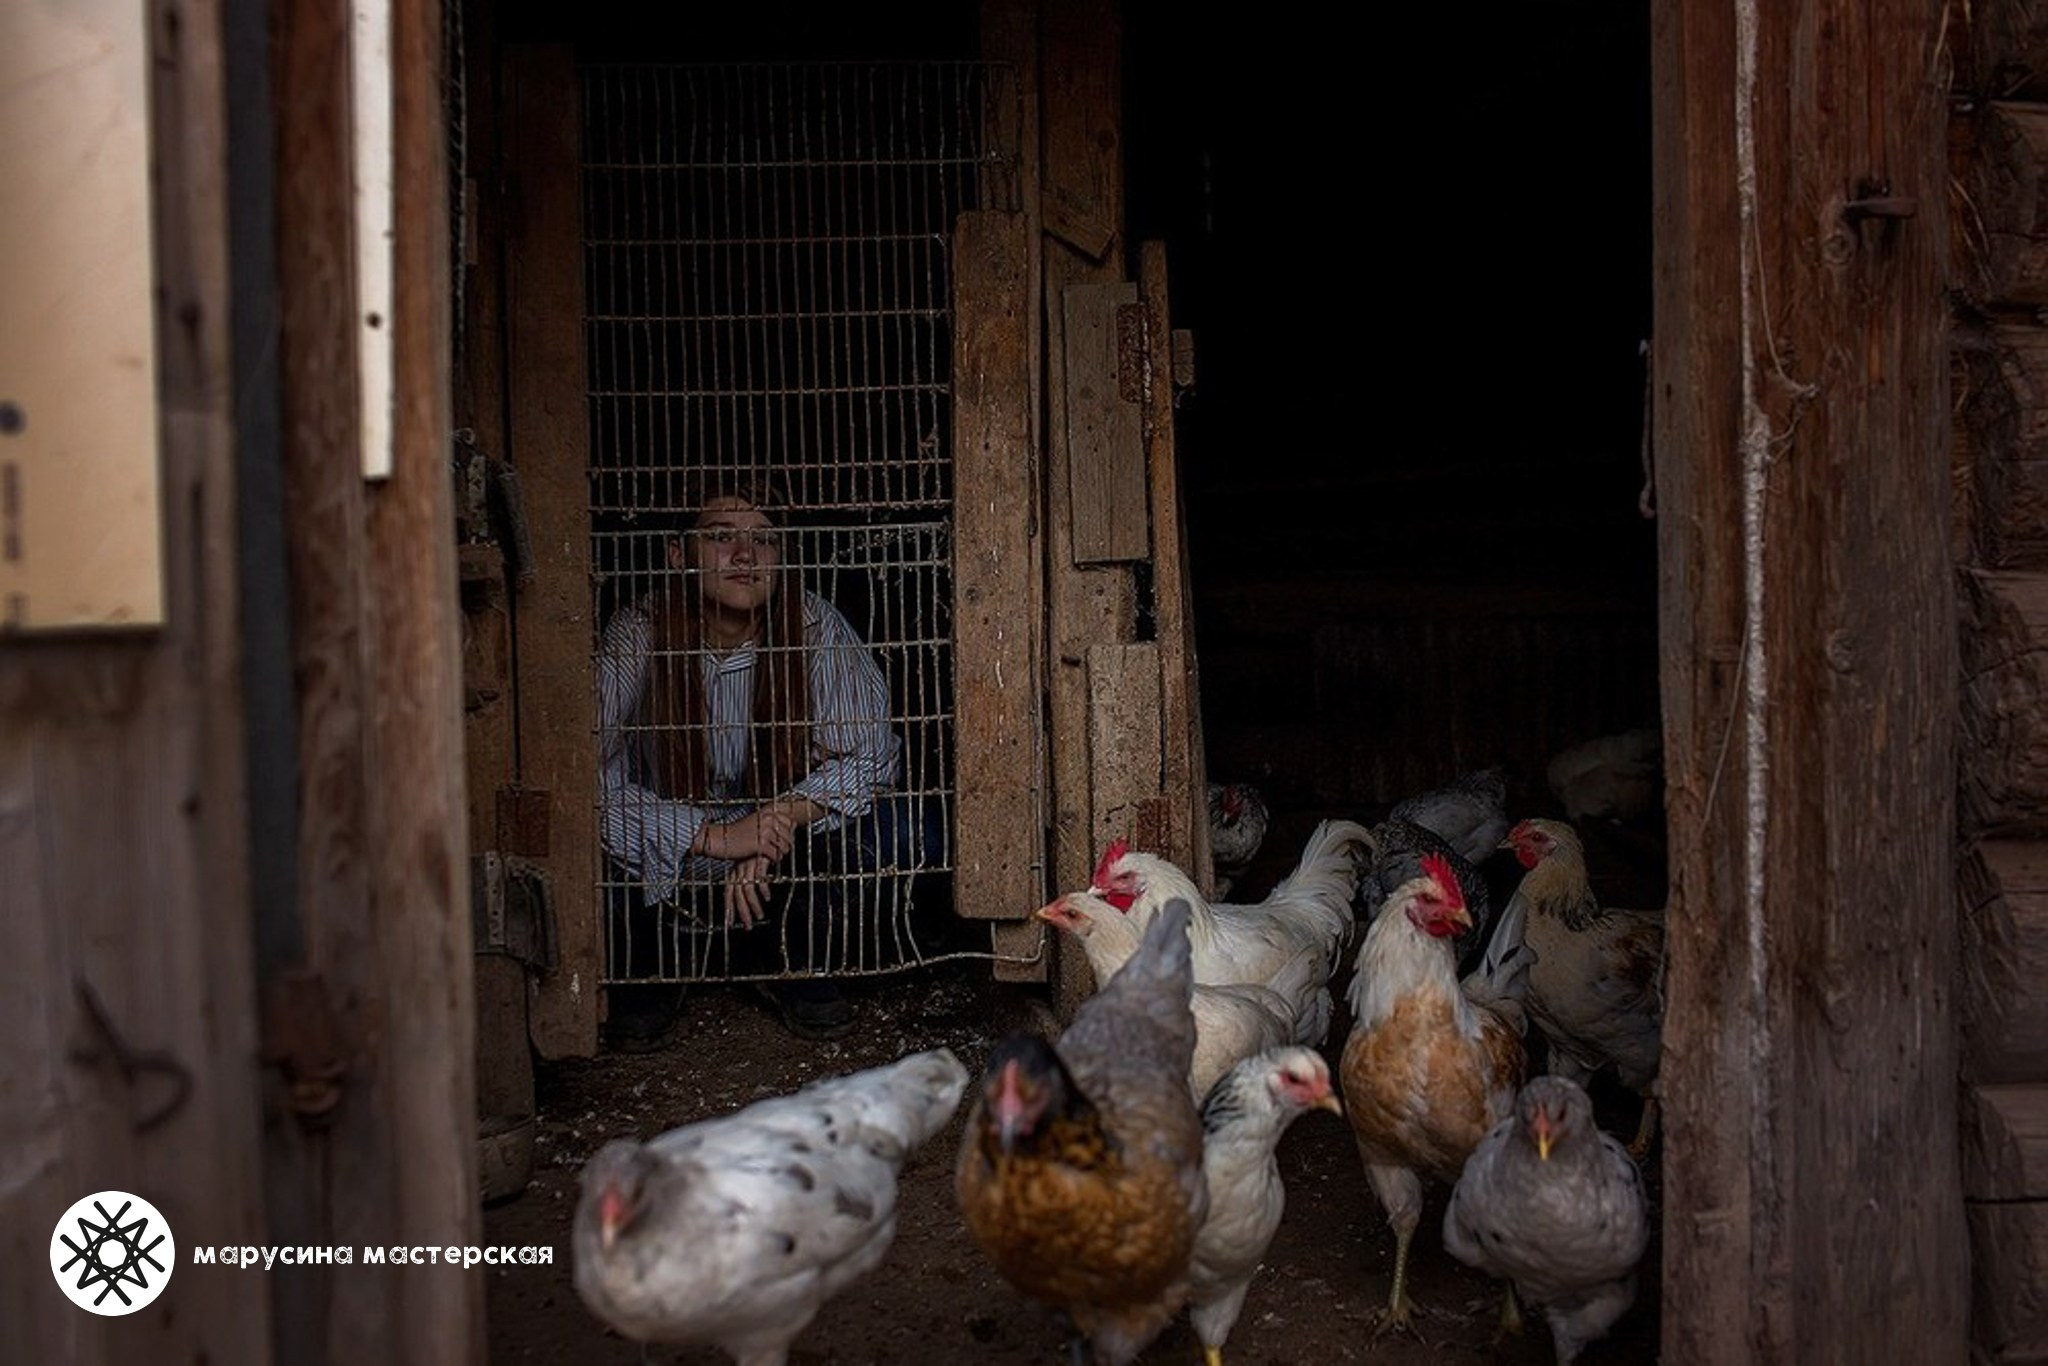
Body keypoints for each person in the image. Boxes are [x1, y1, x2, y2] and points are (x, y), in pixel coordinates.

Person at [596, 472, 940, 1046]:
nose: (744, 555)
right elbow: (589, 779)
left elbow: (873, 754)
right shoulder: (641, 631)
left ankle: (789, 953)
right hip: (670, 849)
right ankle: (658, 962)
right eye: (720, 536)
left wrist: (772, 823)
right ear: (679, 554)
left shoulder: (811, 623)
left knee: (915, 831)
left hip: (788, 851)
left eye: (764, 538)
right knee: (583, 839)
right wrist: (716, 837)